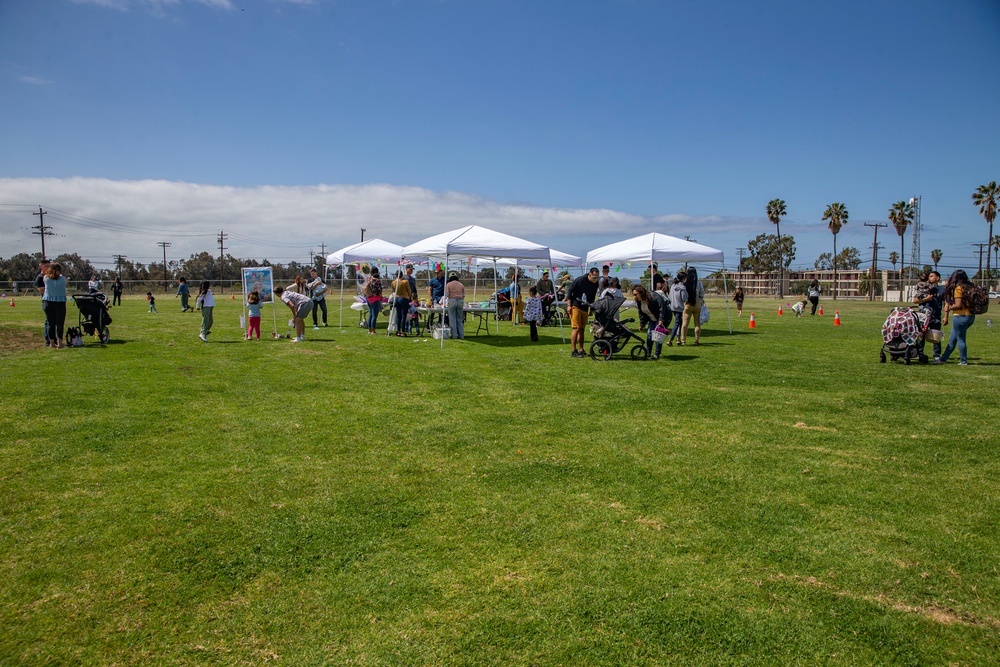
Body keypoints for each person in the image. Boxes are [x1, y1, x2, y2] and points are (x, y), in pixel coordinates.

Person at [934, 269, 976, 366]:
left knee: (961, 339)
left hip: (960, 316)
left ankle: (963, 361)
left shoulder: (958, 289)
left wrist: (948, 310)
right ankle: (943, 359)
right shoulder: (970, 288)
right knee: (952, 339)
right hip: (970, 316)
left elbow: (958, 305)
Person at [566, 267, 600, 358]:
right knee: (576, 328)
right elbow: (570, 291)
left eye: (597, 278)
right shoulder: (580, 280)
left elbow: (592, 296)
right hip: (575, 306)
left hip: (585, 308)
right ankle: (573, 351)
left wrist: (591, 309)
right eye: (594, 277)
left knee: (582, 330)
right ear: (589, 275)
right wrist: (569, 305)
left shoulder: (595, 284)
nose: (596, 279)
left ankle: (581, 350)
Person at [632, 284, 669, 360]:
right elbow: (642, 314)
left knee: (658, 335)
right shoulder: (639, 302)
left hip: (662, 317)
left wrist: (661, 320)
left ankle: (656, 354)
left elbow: (662, 307)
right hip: (652, 318)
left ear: (641, 293)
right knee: (649, 334)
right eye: (633, 294)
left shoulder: (653, 296)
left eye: (636, 294)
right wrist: (642, 324)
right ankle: (648, 352)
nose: (634, 296)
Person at [914, 270, 943, 361]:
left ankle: (937, 354)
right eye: (929, 276)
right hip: (923, 315)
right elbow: (915, 301)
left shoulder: (941, 289)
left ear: (937, 278)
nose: (929, 278)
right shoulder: (922, 288)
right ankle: (920, 353)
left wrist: (946, 316)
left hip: (935, 315)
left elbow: (947, 302)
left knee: (935, 335)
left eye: (931, 276)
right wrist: (927, 299)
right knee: (921, 335)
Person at [42, 262, 68, 348]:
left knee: (50, 324)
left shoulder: (46, 278)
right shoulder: (63, 279)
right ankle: (60, 342)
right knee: (60, 323)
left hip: (48, 302)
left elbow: (47, 277)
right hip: (60, 302)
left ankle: (51, 343)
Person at [680, 268, 705, 346]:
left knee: (685, 324)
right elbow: (702, 294)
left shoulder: (685, 283)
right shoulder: (699, 283)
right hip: (697, 303)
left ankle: (683, 340)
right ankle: (696, 340)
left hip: (687, 303)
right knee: (697, 323)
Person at [34, 258, 52, 346]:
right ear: (42, 267)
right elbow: (42, 291)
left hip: (53, 301)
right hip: (46, 301)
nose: (49, 268)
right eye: (47, 266)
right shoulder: (40, 278)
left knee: (53, 321)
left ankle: (53, 339)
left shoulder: (50, 277)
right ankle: (48, 340)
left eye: (50, 266)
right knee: (48, 321)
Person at [667, 272, 688, 346]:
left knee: (680, 322)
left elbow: (669, 296)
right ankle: (670, 340)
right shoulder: (682, 287)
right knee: (677, 323)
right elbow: (684, 298)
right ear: (684, 278)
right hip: (679, 307)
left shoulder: (673, 285)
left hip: (672, 306)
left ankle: (678, 338)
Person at [391, 270, 413, 337]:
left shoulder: (393, 282)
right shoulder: (405, 282)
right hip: (404, 298)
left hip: (397, 298)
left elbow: (394, 290)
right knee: (404, 315)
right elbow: (409, 291)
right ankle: (403, 331)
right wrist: (409, 297)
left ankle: (398, 330)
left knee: (398, 316)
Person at [445, 273, 466, 339]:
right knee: (459, 319)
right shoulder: (461, 284)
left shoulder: (448, 284)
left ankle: (454, 335)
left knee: (452, 319)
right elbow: (463, 295)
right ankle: (461, 335)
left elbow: (447, 294)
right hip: (460, 301)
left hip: (452, 300)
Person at [363, 268, 383, 334]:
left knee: (371, 315)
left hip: (369, 299)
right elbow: (379, 291)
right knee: (374, 316)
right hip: (375, 299)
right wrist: (381, 297)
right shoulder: (377, 281)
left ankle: (369, 330)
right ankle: (373, 330)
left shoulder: (369, 280)